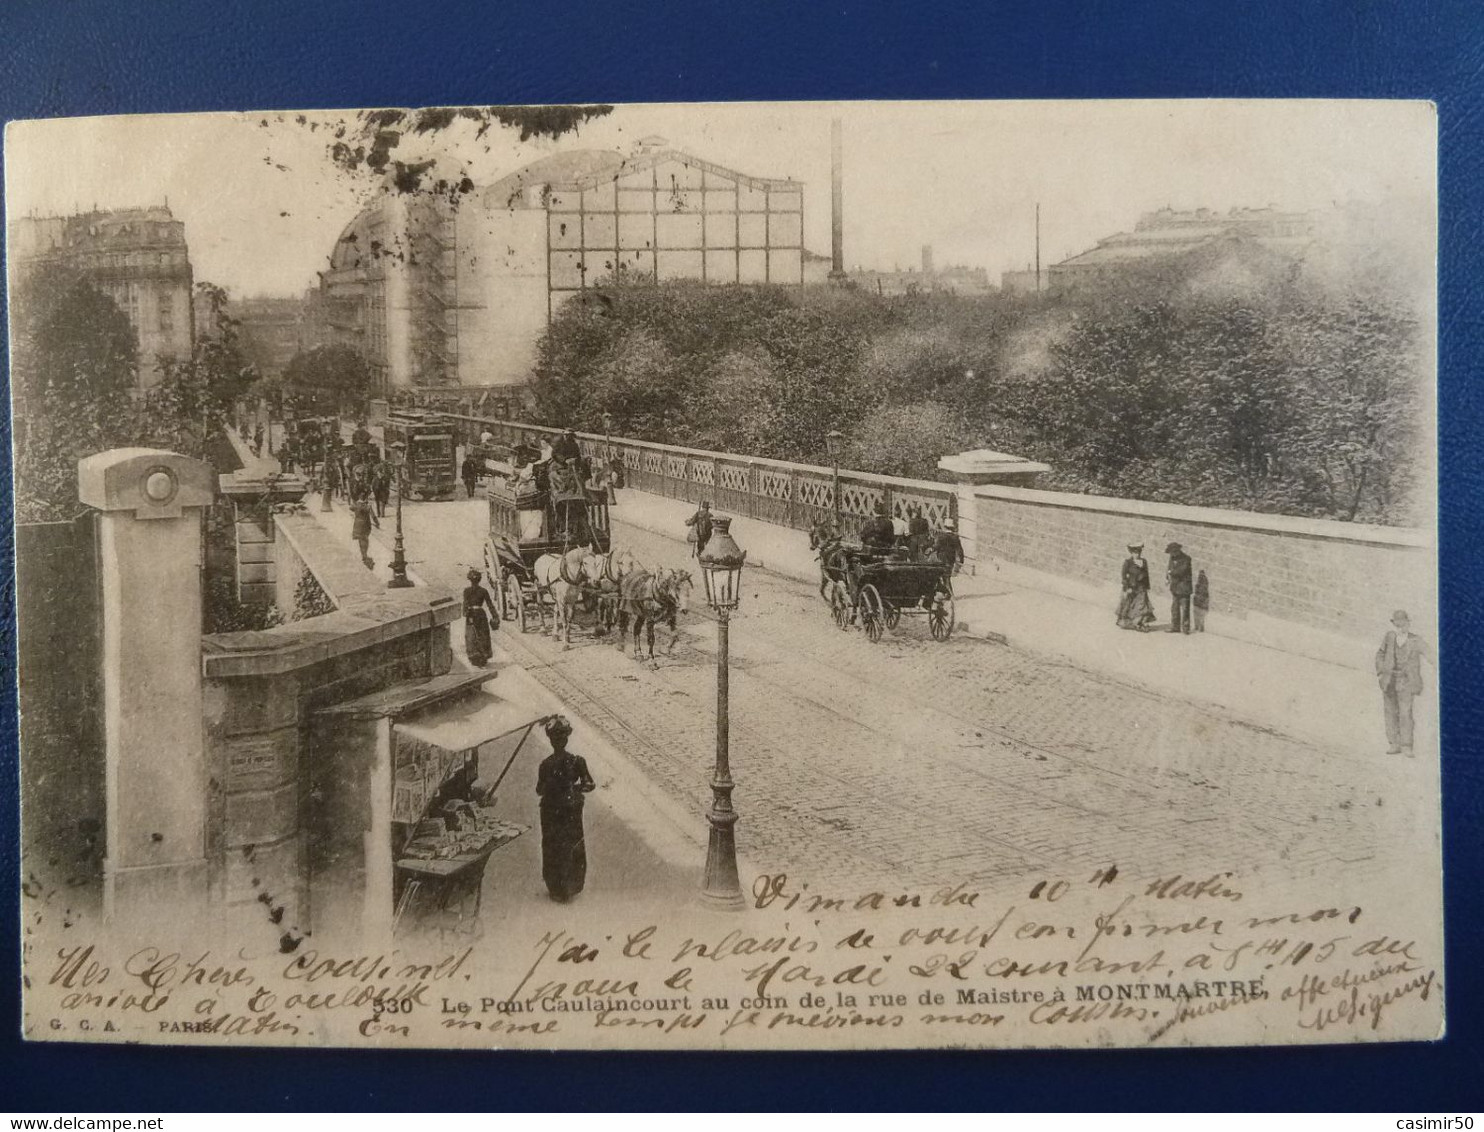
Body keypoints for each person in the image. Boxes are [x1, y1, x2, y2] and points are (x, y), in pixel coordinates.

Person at [535, 716, 596, 903]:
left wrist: (560, 788)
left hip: (554, 809)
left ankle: (558, 886)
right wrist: (573, 789)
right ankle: (568, 885)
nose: (558, 742)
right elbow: (589, 784)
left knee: (555, 846)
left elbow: (539, 790)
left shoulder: (546, 764)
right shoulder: (576, 761)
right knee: (569, 844)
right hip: (567, 809)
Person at [1375, 609, 1426, 756]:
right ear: (1393, 624)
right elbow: (1379, 654)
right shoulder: (1389, 637)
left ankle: (1407, 746)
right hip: (1389, 680)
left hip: (1406, 682)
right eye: (1397, 624)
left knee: (1405, 713)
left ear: (1408, 624)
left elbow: (1431, 654)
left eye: (1402, 624)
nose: (1400, 627)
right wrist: (1381, 671)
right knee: (1390, 712)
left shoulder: (1415, 640)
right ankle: (1394, 744)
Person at [463, 568, 500, 667]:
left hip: (471, 614)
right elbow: (490, 605)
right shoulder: (483, 591)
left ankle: (474, 657)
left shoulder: (466, 591)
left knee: (471, 635)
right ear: (479, 580)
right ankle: (483, 656)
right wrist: (495, 616)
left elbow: (465, 605)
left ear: (470, 580)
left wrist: (466, 614)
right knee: (483, 635)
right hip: (481, 614)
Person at [1116, 543, 1155, 630]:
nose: (1136, 555)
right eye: (1134, 553)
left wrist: (1147, 586)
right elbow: (1124, 576)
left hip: (1141, 588)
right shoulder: (1128, 562)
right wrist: (1127, 588)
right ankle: (1129, 623)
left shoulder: (1144, 561)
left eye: (1138, 553)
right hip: (1132, 587)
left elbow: (1146, 574)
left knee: (1142, 605)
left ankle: (1140, 623)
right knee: (1130, 605)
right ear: (1131, 553)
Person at [1165, 541, 1193, 634]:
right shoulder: (1172, 558)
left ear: (1177, 551)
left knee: (1185, 608)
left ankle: (1185, 628)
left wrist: (1171, 573)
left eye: (1173, 552)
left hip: (1184, 588)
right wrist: (1167, 577)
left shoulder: (1186, 559)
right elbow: (1169, 568)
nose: (1171, 555)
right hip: (1175, 587)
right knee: (1174, 608)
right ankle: (1175, 626)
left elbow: (1181, 571)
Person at [351, 496, 378, 567]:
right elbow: (373, 515)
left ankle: (363, 554)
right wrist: (377, 523)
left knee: (360, 540)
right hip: (365, 525)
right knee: (365, 540)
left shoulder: (356, 504)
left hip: (357, 524)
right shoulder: (367, 506)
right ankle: (365, 555)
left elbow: (351, 508)